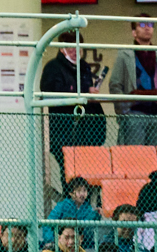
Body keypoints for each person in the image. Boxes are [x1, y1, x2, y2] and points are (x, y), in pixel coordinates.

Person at [39, 32, 106, 170]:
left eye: (78, 46)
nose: (75, 50)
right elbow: (52, 94)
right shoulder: (52, 68)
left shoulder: (84, 67)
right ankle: (71, 192)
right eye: (71, 47)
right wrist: (84, 91)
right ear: (61, 48)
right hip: (62, 128)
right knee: (68, 169)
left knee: (85, 169)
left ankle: (80, 192)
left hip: (85, 128)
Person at [108, 20, 157, 147]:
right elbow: (115, 84)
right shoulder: (124, 55)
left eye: (151, 25)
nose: (147, 28)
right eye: (142, 25)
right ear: (133, 32)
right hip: (134, 111)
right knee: (135, 156)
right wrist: (124, 110)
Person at [43, 176, 99, 247]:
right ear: (71, 193)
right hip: (62, 242)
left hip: (81, 243)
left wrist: (96, 215)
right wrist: (51, 240)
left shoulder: (88, 208)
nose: (82, 194)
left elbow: (87, 228)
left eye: (84, 190)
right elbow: (48, 223)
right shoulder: (62, 206)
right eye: (79, 191)